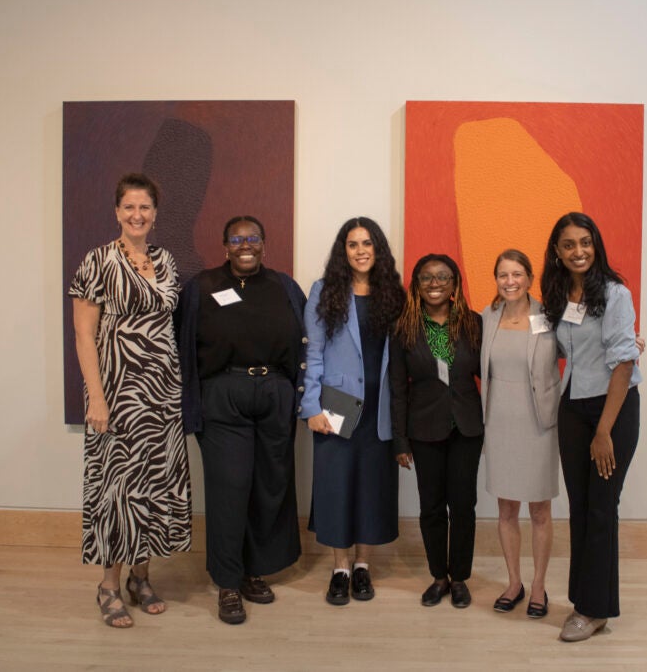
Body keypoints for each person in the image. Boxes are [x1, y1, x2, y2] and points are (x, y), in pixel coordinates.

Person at [69, 172, 192, 629]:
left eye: (145, 208)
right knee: (117, 489)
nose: (137, 215)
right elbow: (84, 336)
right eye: (129, 207)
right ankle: (108, 584)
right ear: (117, 212)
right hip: (118, 393)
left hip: (162, 394)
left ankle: (142, 578)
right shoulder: (97, 261)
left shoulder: (166, 259)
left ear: (155, 214)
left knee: (153, 486)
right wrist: (96, 399)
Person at [177, 215, 305, 625]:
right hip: (223, 398)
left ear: (265, 244)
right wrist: (190, 408)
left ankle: (254, 571)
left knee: (269, 486)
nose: (245, 244)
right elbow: (182, 350)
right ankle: (228, 583)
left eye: (253, 238)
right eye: (237, 238)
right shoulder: (201, 287)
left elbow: (308, 344)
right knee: (229, 489)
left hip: (274, 396)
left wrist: (298, 397)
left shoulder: (284, 287)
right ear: (225, 245)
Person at [540, 212, 642, 642]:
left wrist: (604, 431)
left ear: (595, 245)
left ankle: (596, 610)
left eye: (585, 242)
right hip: (572, 408)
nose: (578, 251)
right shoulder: (559, 295)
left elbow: (623, 362)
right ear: (557, 253)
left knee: (602, 508)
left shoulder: (615, 294)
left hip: (611, 411)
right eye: (568, 245)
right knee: (580, 508)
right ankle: (583, 601)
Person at [301, 216, 405, 605]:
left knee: (371, 490)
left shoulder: (393, 293)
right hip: (336, 409)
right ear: (343, 251)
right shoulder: (325, 291)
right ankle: (340, 568)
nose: (361, 251)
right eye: (353, 244)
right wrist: (311, 406)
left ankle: (363, 566)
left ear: (378, 249)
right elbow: (312, 353)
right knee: (335, 489)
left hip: (380, 411)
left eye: (367, 244)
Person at [390, 254, 484, 608]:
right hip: (423, 428)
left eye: (442, 277)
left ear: (454, 284)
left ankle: (460, 578)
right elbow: (397, 389)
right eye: (426, 277)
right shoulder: (404, 329)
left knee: (463, 505)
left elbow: (493, 373)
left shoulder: (474, 324)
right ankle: (438, 577)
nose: (434, 283)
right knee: (431, 507)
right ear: (416, 284)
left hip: (467, 428)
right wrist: (400, 439)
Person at [480, 249, 560, 620]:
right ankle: (514, 583)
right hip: (499, 421)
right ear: (495, 280)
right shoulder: (487, 317)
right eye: (502, 275)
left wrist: (630, 343)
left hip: (538, 422)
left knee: (540, 510)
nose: (509, 281)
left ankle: (540, 585)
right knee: (506, 508)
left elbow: (581, 350)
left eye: (517, 274)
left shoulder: (549, 316)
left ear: (530, 278)